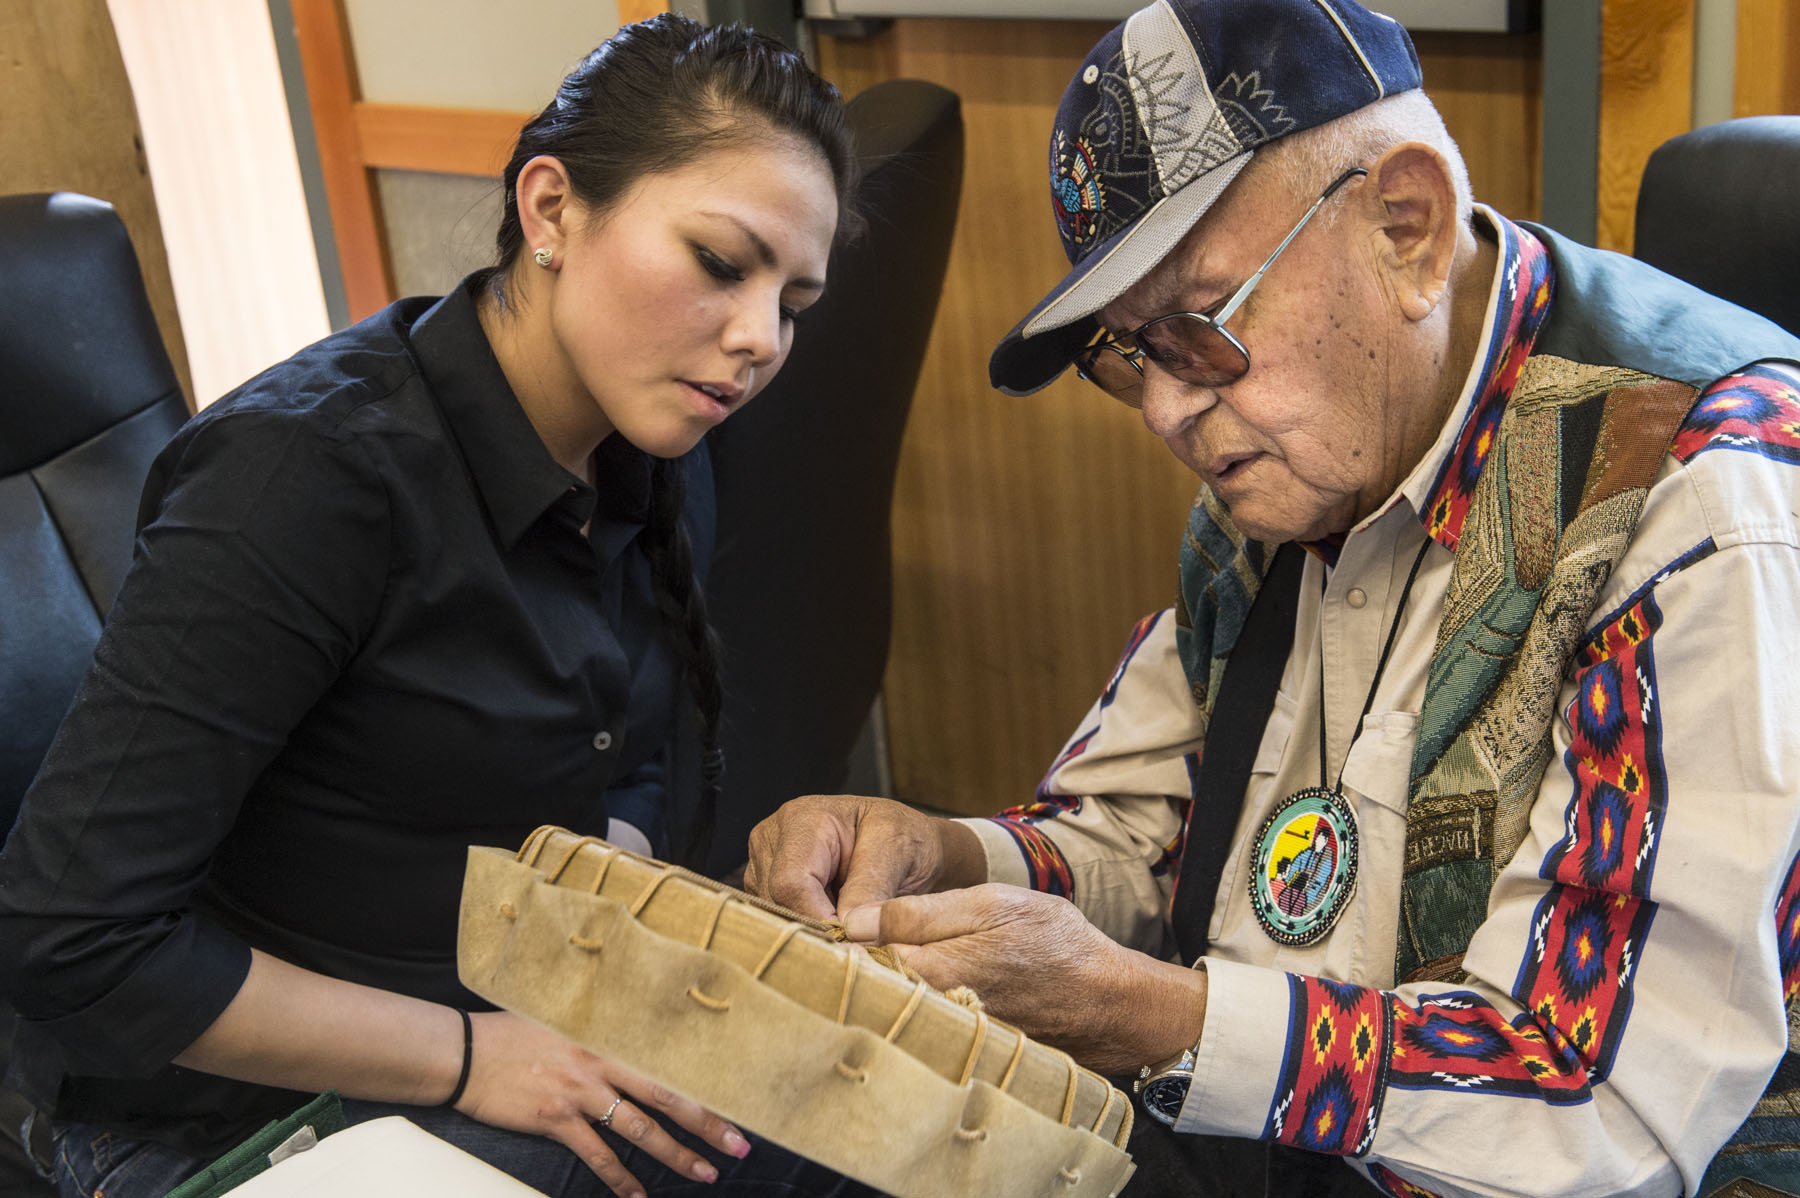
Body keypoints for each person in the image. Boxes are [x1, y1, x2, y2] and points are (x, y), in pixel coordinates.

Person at [746, 1, 1800, 1195]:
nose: (1165, 411)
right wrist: (942, 856)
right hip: (1269, 1139)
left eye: (1199, 328)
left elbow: (1603, 1110)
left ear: (1407, 227)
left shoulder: (1701, 497)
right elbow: (1146, 840)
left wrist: (1148, 1014)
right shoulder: (1283, 473)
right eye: (1129, 352)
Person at [0, 15, 875, 1198]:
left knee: (853, 1122)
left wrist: (627, 938)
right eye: (722, 263)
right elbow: (68, 939)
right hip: (222, 1105)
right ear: (551, 208)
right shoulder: (306, 478)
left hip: (501, 1015)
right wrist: (468, 1056)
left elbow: (623, 757)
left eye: (794, 302)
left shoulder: (655, 439)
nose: (758, 338)